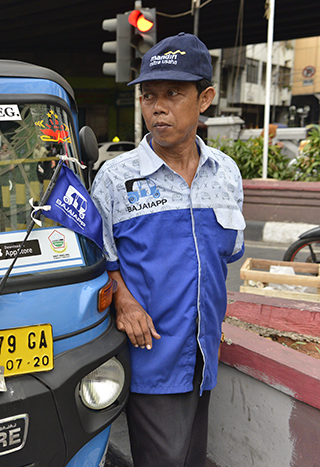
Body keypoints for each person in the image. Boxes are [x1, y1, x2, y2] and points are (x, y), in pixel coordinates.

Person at [91, 33, 245, 467]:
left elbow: (229, 253)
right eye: (148, 95)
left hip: (204, 350)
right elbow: (94, 257)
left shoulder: (225, 174)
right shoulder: (116, 179)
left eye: (174, 94)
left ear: (205, 99)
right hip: (153, 353)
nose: (157, 107)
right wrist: (124, 301)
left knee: (192, 458)